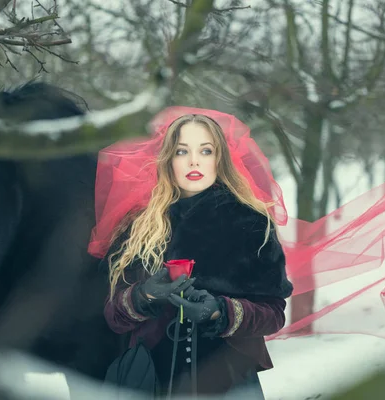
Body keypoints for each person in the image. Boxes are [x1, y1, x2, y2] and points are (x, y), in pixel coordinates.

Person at [93, 110, 293, 397]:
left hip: (227, 379)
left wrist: (219, 312)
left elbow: (273, 314)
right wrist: (144, 295)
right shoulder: (137, 228)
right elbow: (114, 316)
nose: (194, 161)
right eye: (181, 151)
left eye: (206, 150)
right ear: (167, 160)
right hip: (152, 380)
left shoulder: (252, 224)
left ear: (220, 158)